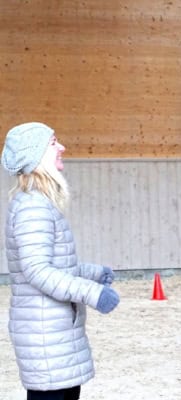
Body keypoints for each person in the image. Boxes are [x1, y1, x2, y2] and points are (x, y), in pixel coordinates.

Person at [1, 122, 120, 400]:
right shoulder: (32, 207)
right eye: (54, 142)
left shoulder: (39, 202)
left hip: (55, 334)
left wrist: (93, 273)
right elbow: (38, 271)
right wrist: (93, 292)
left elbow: (54, 268)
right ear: (36, 154)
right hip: (45, 336)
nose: (62, 147)